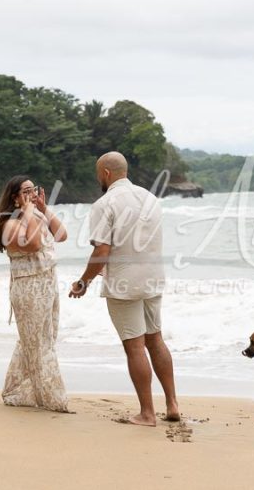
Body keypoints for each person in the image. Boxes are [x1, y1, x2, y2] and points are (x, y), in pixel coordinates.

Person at [69, 151, 179, 426]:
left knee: (135, 347)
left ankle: (147, 413)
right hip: (153, 278)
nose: (98, 179)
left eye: (98, 174)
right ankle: (172, 404)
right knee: (155, 340)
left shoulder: (104, 204)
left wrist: (84, 281)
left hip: (124, 283)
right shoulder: (150, 198)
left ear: (105, 173)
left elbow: (102, 251)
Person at [0, 175, 70, 413]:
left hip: (47, 283)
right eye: (25, 192)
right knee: (36, 342)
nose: (31, 194)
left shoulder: (35, 215)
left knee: (43, 340)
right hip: (29, 288)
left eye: (33, 189)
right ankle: (51, 397)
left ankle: (19, 390)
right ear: (14, 198)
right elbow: (34, 243)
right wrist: (27, 211)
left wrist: (43, 209)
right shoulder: (10, 224)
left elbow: (62, 235)